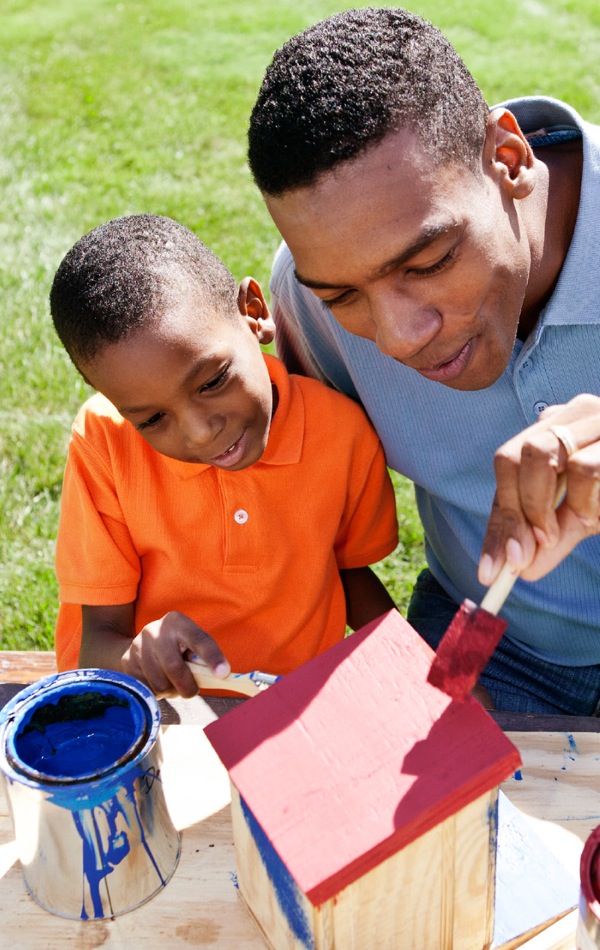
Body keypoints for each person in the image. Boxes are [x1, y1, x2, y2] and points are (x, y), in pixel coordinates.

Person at [247, 7, 600, 715]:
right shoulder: (305, 300)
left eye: (431, 260)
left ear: (508, 159)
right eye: (345, 294)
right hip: (494, 643)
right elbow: (304, 508)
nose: (402, 338)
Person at [49, 213, 399, 698]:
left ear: (253, 311)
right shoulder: (104, 441)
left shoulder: (343, 433)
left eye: (212, 381)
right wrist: (139, 654)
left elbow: (349, 572)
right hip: (154, 714)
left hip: (290, 710)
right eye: (152, 420)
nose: (199, 432)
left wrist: (415, 672)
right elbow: (96, 648)